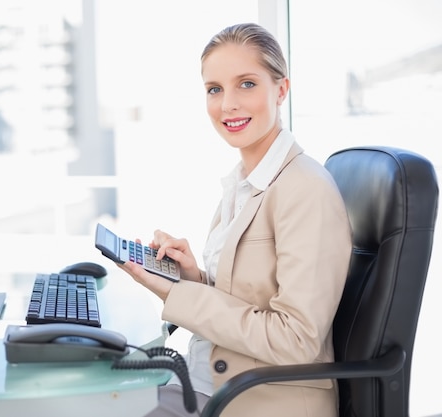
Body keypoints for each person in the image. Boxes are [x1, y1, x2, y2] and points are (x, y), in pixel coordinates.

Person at [117, 22, 352, 417]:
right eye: (215, 89)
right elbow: (247, 300)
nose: (227, 104)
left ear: (280, 90)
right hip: (208, 383)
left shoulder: (304, 188)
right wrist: (191, 277)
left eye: (246, 84)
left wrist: (179, 298)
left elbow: (296, 338)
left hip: (255, 401)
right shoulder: (243, 185)